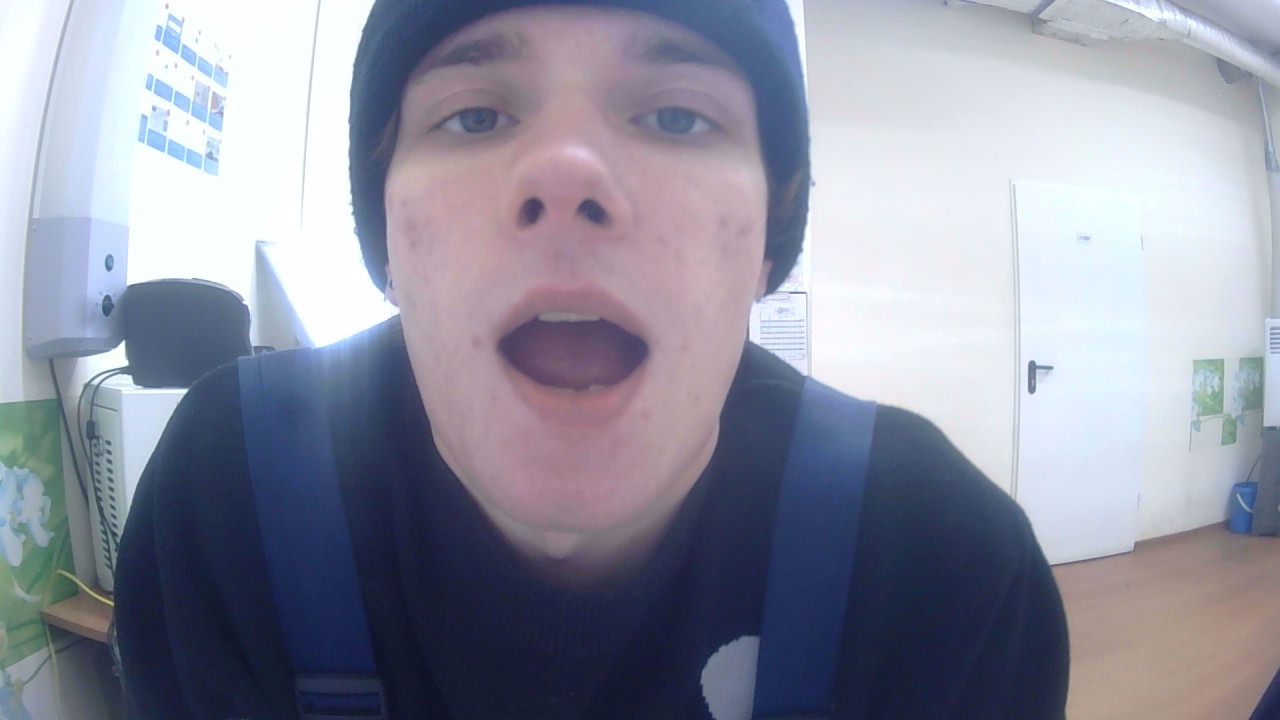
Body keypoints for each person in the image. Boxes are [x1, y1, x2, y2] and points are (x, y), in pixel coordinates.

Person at [114, 1, 1070, 718]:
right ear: (387, 242)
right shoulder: (228, 501)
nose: (566, 171)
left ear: (768, 237)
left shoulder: (943, 572)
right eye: (475, 116)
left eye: (678, 116)